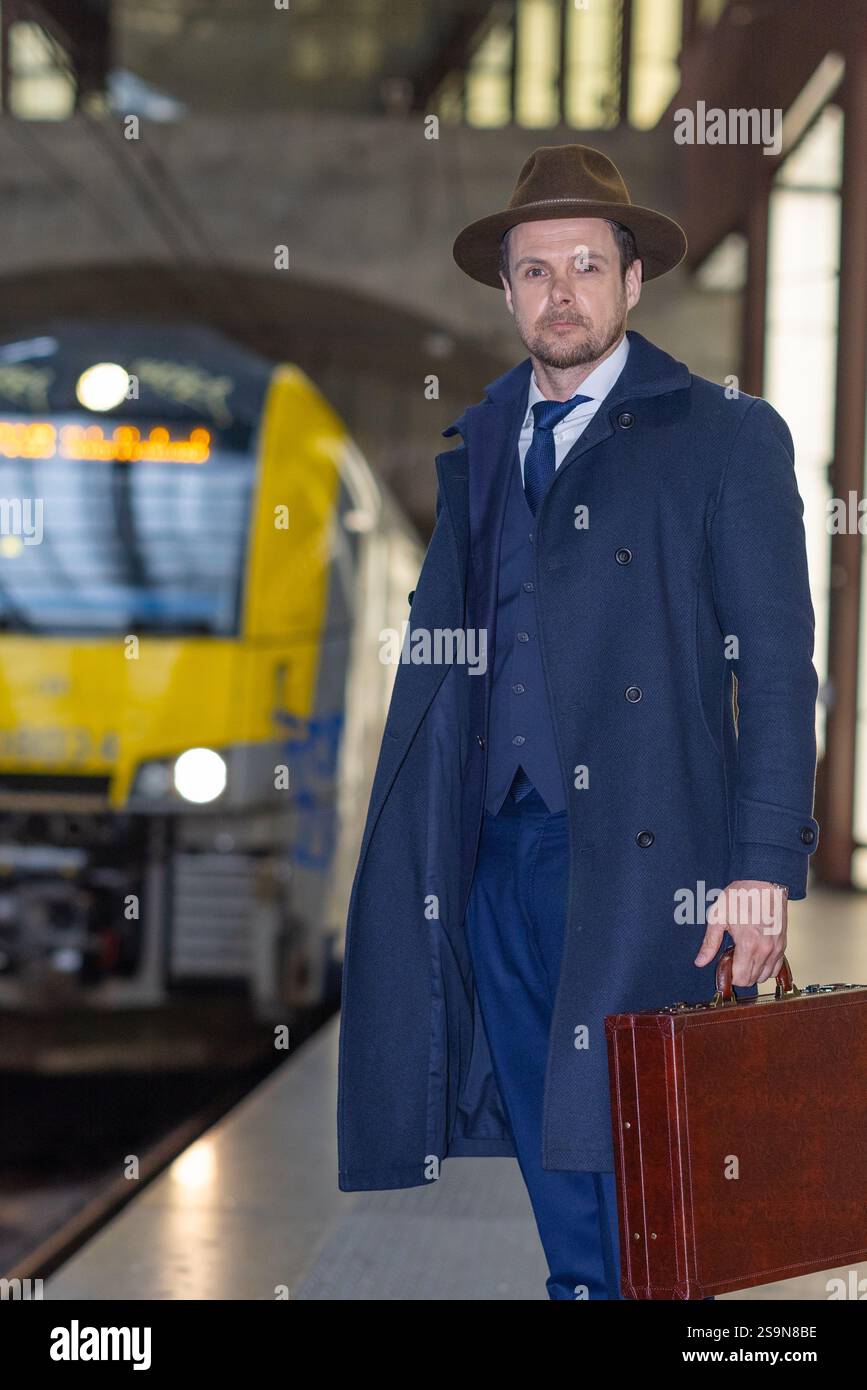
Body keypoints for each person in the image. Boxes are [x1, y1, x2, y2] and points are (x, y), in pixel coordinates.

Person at [337, 143, 820, 1300]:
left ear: (632, 281)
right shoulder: (483, 447)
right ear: (507, 293)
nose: (563, 293)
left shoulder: (721, 435)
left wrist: (762, 870)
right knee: (560, 1161)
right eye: (537, 271)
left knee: (647, 1162)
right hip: (497, 854)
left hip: (653, 863)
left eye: (587, 267)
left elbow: (782, 665)